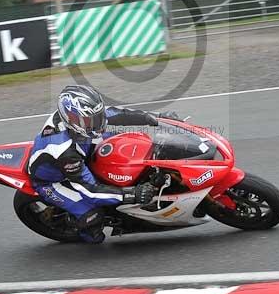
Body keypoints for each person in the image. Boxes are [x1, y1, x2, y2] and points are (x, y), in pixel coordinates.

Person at [28, 84, 178, 243]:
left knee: (127, 141)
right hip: (53, 182)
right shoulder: (64, 151)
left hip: (80, 148)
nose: (99, 123)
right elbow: (90, 191)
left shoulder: (83, 119)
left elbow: (118, 114)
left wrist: (156, 117)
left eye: (98, 116)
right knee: (94, 219)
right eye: (91, 120)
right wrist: (133, 194)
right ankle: (80, 227)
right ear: (72, 120)